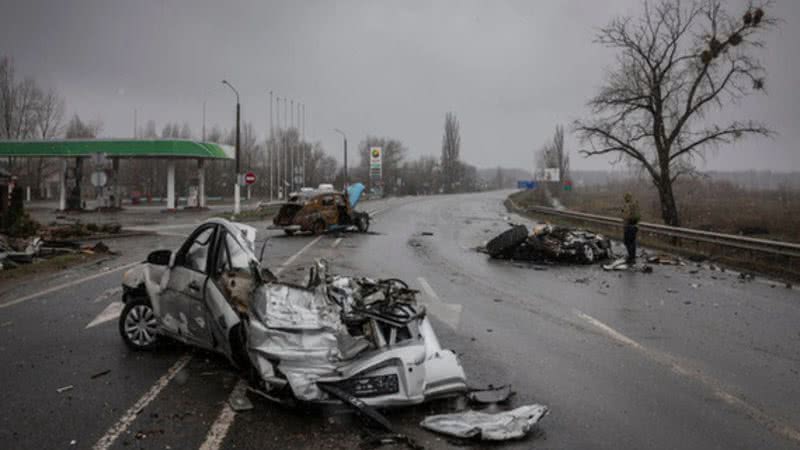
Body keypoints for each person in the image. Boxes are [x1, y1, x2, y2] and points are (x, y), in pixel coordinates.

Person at [621, 192, 640, 264]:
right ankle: (632, 257)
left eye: (625, 197)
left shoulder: (628, 206)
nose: (625, 199)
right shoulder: (635, 205)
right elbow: (638, 216)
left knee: (627, 242)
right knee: (632, 242)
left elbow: (626, 217)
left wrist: (623, 213)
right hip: (635, 226)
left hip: (629, 226)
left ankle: (631, 258)